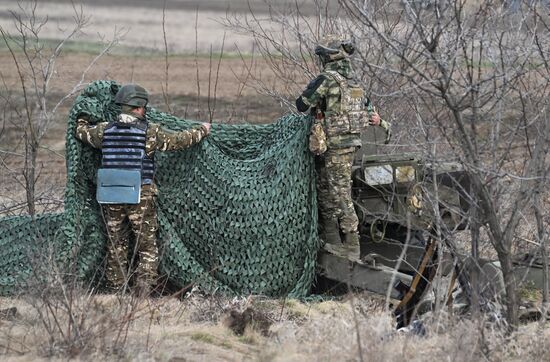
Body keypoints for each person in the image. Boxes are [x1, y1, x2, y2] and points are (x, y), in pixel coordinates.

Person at [75, 84, 211, 293]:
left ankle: (116, 290)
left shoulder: (104, 130)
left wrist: (82, 119)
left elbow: (81, 133)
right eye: (143, 107)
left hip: (110, 193)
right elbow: (179, 141)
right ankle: (144, 290)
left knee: (116, 244)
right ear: (138, 108)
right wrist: (202, 130)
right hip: (140, 193)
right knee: (146, 245)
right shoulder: (150, 132)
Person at [296, 35, 387, 260]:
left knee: (340, 193)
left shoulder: (327, 79)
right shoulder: (355, 82)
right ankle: (332, 239)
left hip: (336, 146)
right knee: (327, 190)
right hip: (347, 144)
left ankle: (352, 245)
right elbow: (369, 112)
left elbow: (301, 104)